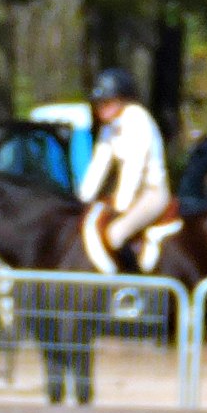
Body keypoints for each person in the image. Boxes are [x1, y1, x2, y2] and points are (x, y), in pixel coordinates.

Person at [76, 67, 172, 269]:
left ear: (123, 100)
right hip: (128, 194)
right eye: (98, 103)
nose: (100, 108)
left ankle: (132, 283)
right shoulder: (109, 127)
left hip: (151, 192)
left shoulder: (137, 119)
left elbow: (134, 165)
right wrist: (81, 200)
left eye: (107, 102)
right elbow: (99, 164)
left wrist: (121, 205)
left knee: (115, 235)